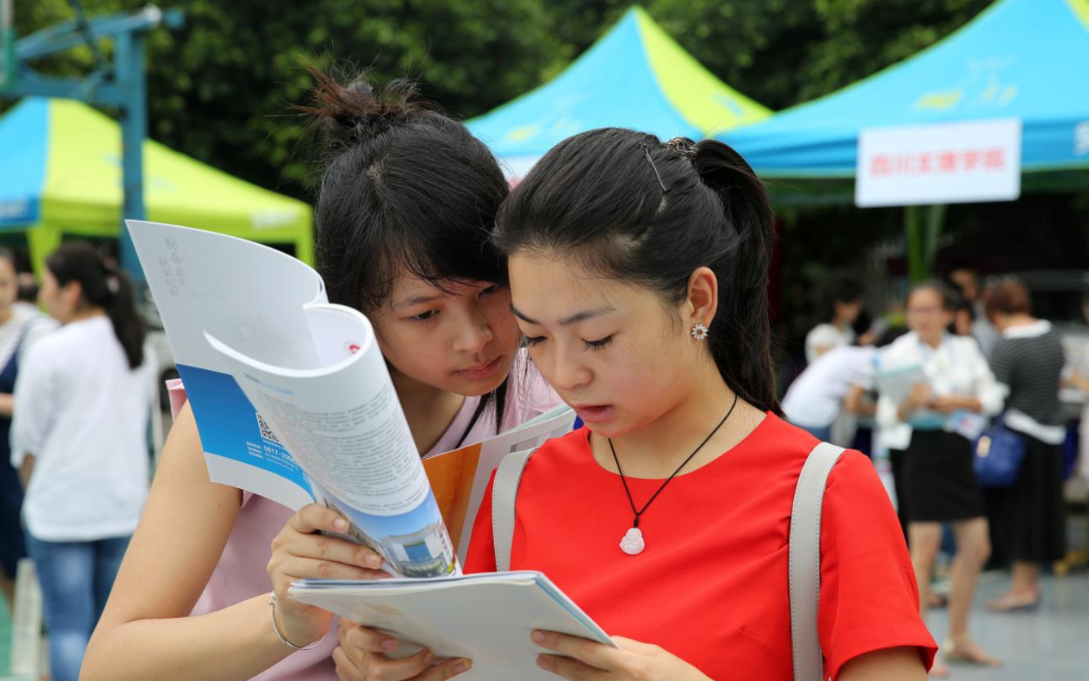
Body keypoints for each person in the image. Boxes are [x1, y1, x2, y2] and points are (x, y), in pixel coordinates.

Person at [335, 131, 937, 681]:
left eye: (598, 338)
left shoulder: (826, 493)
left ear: (697, 301)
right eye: (536, 338)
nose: (566, 374)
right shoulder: (514, 487)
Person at [81, 73, 560, 681]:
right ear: (355, 310)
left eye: (491, 289)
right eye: (425, 313)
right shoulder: (241, 403)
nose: (475, 337)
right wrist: (286, 617)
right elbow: (111, 664)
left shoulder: (550, 393)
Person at [11, 243, 156, 681]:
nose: (41, 293)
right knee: (110, 633)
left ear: (72, 290)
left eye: (48, 284)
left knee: (68, 627)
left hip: (61, 509)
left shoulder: (50, 350)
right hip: (122, 506)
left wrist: (32, 488)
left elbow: (27, 440)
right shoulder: (138, 347)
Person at [875, 282, 1003, 675]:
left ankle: (959, 637)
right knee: (924, 551)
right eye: (915, 310)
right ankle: (917, 651)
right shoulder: (896, 353)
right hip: (919, 450)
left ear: (948, 313)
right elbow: (887, 417)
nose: (922, 317)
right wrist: (911, 403)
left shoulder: (964, 348)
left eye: (930, 309)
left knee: (977, 546)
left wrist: (959, 401)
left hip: (958, 448)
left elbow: (992, 395)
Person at [979, 279, 1067, 612]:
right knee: (1043, 510)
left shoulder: (1008, 347)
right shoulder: (1051, 335)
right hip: (1052, 434)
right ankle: (1029, 584)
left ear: (994, 311)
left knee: (1021, 513)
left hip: (1020, 438)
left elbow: (992, 398)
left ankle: (1021, 588)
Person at [0, 249, 56, 612]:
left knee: (23, 557)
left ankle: (38, 661)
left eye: (2, 282)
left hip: (14, 469)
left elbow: (41, 405)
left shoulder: (37, 331)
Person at [782, 344, 876, 443]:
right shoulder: (871, 363)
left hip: (790, 411)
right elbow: (851, 405)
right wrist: (878, 409)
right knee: (821, 457)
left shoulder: (845, 352)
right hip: (814, 420)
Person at [805, 277, 865, 363]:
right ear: (839, 305)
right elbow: (829, 364)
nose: (858, 308)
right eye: (855, 303)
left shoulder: (847, 329)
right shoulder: (821, 334)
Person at [947, 266, 999, 357]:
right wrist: (964, 334)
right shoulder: (950, 312)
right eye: (960, 286)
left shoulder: (988, 305)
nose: (968, 290)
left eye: (971, 283)